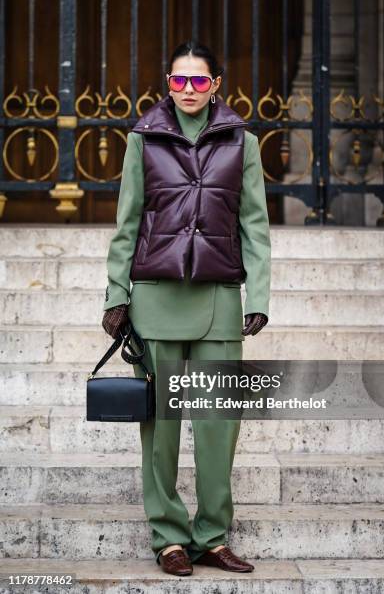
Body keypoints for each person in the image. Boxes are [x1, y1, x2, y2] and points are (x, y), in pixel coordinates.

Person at [102, 40, 271, 576]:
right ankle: (169, 537)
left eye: (200, 80)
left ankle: (213, 535)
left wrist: (258, 297)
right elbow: (128, 221)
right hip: (155, 298)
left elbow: (255, 225)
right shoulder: (143, 139)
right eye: (180, 80)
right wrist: (116, 293)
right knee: (162, 429)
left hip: (218, 299)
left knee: (220, 423)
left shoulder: (243, 141)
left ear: (217, 83)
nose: (190, 90)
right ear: (167, 83)